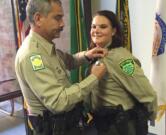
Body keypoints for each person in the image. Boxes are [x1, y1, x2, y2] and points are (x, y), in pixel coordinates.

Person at [15, 0, 107, 135]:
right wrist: (94, 77)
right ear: (38, 19)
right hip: (54, 128)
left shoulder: (44, 46)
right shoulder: (33, 55)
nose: (62, 23)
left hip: (69, 124)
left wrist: (87, 55)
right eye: (57, 18)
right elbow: (58, 102)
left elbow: (68, 61)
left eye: (103, 27)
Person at [85, 10, 158, 135]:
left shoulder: (121, 59)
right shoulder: (96, 54)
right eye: (93, 26)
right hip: (101, 125)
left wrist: (148, 119)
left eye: (103, 27)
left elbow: (147, 93)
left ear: (113, 31)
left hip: (119, 127)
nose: (96, 30)